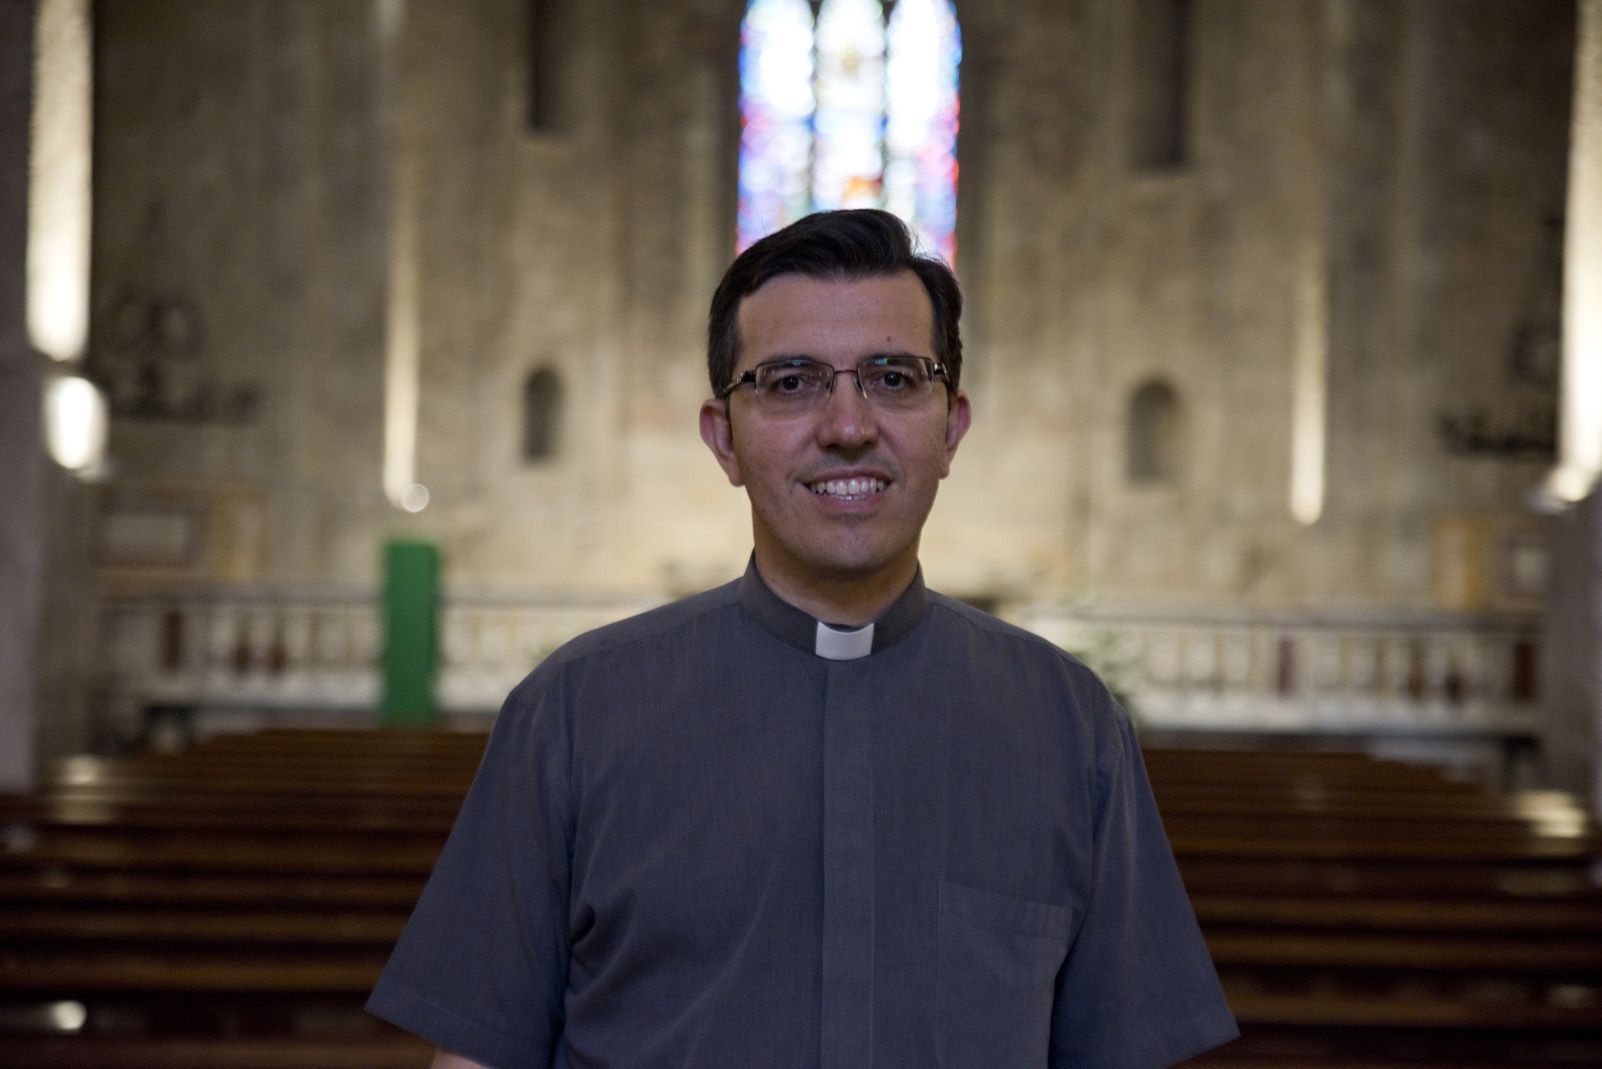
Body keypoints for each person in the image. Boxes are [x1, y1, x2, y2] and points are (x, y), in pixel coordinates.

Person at [367, 209, 1238, 1068]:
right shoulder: (573, 712)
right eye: (790, 382)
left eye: (894, 377)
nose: (849, 425)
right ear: (725, 439)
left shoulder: (1069, 725)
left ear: (952, 427)